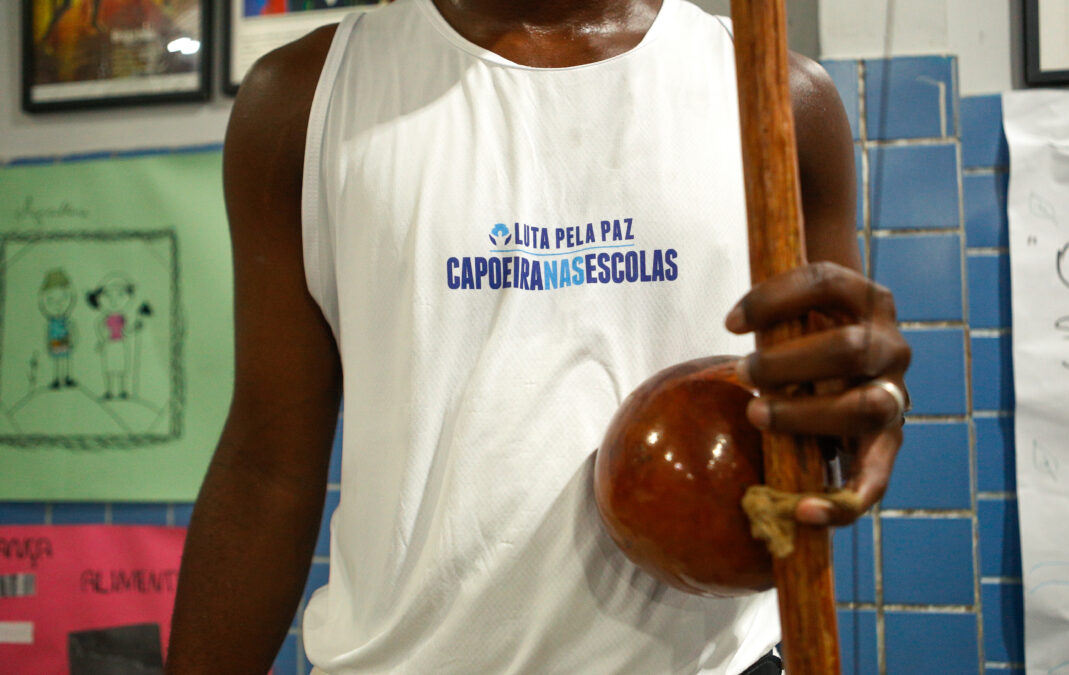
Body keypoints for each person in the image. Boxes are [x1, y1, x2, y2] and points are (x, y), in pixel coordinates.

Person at [167, 0, 911, 673]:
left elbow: (834, 401)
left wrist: (861, 406)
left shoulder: (778, 97)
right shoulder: (304, 100)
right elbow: (270, 470)